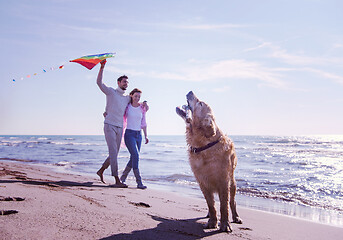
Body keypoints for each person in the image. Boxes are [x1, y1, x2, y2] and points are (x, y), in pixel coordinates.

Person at [96, 60, 130, 187]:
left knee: (114, 153)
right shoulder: (111, 92)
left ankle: (101, 170)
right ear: (118, 82)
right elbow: (99, 83)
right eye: (124, 81)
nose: (126, 84)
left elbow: (135, 105)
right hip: (109, 125)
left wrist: (145, 105)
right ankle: (116, 180)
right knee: (113, 152)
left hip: (120, 127)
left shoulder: (127, 98)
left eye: (127, 82)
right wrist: (102, 67)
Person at [120, 88, 149, 189]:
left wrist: (146, 136)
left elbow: (144, 123)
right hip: (129, 134)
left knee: (133, 157)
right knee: (136, 156)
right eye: (135, 96)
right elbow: (118, 113)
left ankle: (122, 179)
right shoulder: (127, 107)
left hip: (139, 135)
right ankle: (139, 182)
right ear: (131, 95)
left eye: (139, 97)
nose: (137, 98)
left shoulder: (142, 108)